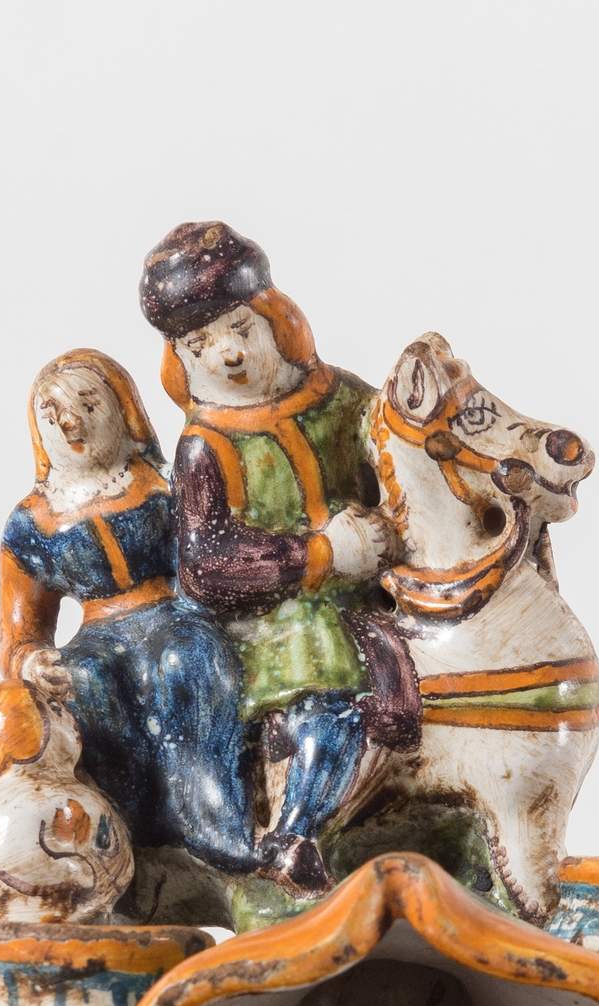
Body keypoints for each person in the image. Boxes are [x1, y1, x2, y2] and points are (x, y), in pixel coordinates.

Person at [140, 222, 420, 893]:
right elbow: (206, 566)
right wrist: (319, 554)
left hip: (383, 592)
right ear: (179, 360)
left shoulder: (344, 400)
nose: (229, 354)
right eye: (200, 345)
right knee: (324, 671)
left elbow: (405, 469)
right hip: (275, 622)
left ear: (278, 321)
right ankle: (296, 831)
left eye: (241, 328)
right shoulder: (207, 447)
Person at [0, 347, 273, 882]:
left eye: (88, 404)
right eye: (53, 414)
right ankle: (133, 834)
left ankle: (213, 821)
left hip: (176, 612)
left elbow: (208, 555)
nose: (71, 423)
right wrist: (31, 661)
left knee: (184, 662)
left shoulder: (165, 485)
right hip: (98, 634)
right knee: (83, 682)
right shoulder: (31, 524)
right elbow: (19, 630)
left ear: (124, 411)